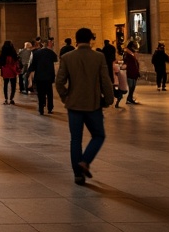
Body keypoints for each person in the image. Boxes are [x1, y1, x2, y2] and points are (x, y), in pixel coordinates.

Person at [55, 27, 113, 185]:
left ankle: (78, 175)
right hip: (93, 104)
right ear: (90, 40)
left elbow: (59, 82)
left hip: (74, 105)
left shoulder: (67, 57)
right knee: (98, 135)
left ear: (76, 39)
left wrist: (66, 97)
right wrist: (108, 99)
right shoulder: (98, 57)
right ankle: (85, 161)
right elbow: (105, 81)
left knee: (75, 140)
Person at [31, 39, 58, 114]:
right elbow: (55, 60)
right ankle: (50, 108)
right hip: (49, 75)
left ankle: (41, 108)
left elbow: (33, 65)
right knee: (49, 92)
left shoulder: (36, 53)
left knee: (40, 92)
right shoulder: (51, 53)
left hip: (39, 75)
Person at [0, 40, 20, 104]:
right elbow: (17, 60)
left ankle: (6, 99)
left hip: (5, 70)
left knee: (5, 85)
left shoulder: (3, 53)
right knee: (13, 85)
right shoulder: (13, 53)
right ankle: (11, 98)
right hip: (12, 70)